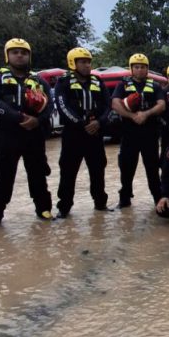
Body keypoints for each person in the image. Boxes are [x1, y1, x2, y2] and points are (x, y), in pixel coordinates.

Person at [0, 38, 53, 231]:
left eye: (24, 52)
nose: (20, 55)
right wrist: (18, 117)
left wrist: (38, 120)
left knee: (38, 174)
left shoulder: (39, 81)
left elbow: (50, 105)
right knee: (3, 176)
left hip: (34, 134)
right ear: (8, 55)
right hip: (8, 134)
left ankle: (44, 209)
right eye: (15, 52)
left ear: (29, 56)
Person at [54, 47, 111, 218]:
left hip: (95, 133)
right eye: (83, 62)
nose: (87, 65)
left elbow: (108, 105)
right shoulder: (63, 82)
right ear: (73, 63)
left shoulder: (98, 82)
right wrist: (81, 124)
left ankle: (100, 203)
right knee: (68, 171)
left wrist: (99, 122)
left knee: (98, 169)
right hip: (73, 134)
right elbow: (62, 107)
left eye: (88, 62)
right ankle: (64, 207)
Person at [111, 53, 166, 208]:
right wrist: (132, 116)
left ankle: (158, 199)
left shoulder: (155, 86)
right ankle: (125, 198)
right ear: (131, 68)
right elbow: (115, 104)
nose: (140, 70)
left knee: (152, 169)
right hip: (129, 134)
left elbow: (162, 105)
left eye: (142, 67)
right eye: (136, 67)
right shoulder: (122, 85)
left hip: (150, 134)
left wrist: (145, 114)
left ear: (147, 69)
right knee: (126, 168)